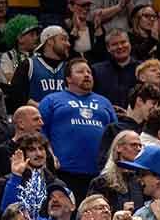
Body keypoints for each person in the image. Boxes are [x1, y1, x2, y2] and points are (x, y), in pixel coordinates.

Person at [39, 57, 118, 201]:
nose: (87, 75)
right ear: (68, 78)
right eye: (80, 72)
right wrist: (49, 155)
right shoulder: (51, 100)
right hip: (63, 172)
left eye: (89, 72)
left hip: (99, 173)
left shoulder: (104, 102)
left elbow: (115, 135)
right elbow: (40, 132)